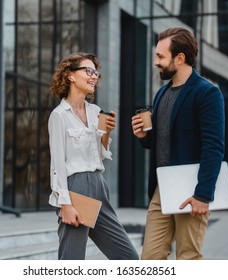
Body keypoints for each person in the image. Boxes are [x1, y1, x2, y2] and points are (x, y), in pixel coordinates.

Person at [131, 27, 225, 260]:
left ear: (180, 58)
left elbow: (214, 146)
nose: (156, 62)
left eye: (160, 56)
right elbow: (164, 141)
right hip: (161, 189)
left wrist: (203, 194)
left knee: (187, 258)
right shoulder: (161, 93)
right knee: (150, 258)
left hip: (191, 189)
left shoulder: (207, 93)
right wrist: (145, 137)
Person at [48, 52, 139, 260]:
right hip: (76, 188)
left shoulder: (95, 111)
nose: (94, 76)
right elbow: (57, 164)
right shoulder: (59, 116)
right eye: (88, 71)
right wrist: (66, 204)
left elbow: (101, 153)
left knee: (129, 258)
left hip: (99, 185)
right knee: (72, 260)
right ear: (70, 75)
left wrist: (106, 132)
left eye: (95, 73)